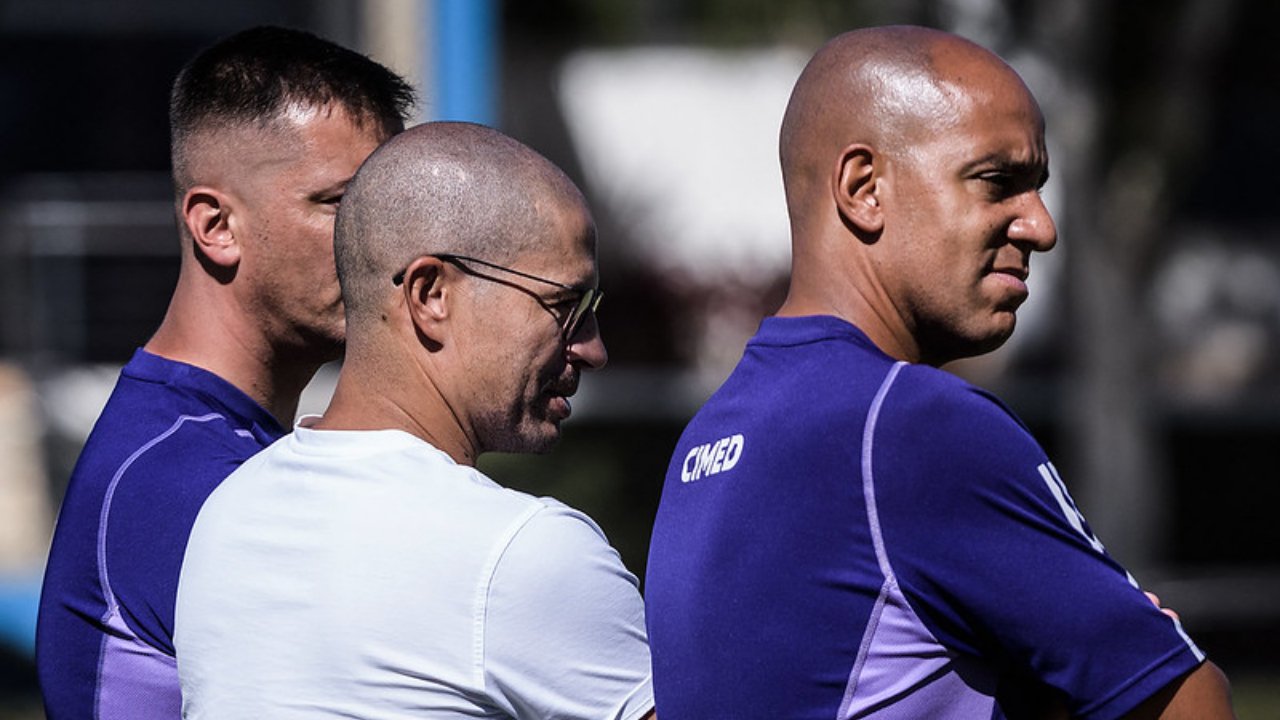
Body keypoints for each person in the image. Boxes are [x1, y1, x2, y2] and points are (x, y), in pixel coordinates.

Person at [644, 25, 1234, 719]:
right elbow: (1190, 706)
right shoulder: (915, 424)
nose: (1041, 227)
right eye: (998, 182)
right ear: (864, 188)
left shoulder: (704, 441)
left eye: (1038, 188)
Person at [174, 121, 655, 720]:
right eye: (565, 306)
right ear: (431, 295)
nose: (592, 348)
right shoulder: (522, 552)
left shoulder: (226, 516)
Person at [36, 26, 414, 720]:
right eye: (341, 204)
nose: (387, 242)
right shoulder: (182, 476)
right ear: (216, 227)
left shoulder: (210, 443)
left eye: (391, 207)